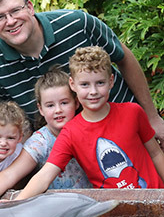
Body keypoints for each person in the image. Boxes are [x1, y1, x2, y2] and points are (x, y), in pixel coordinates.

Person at [0, 0, 164, 217]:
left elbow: (124, 57)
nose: (11, 21)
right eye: (0, 17)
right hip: (85, 169)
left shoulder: (78, 23)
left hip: (131, 137)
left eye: (15, 10)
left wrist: (153, 118)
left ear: (30, 7)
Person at [15, 46, 164, 201]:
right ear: (73, 85)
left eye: (100, 82)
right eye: (85, 84)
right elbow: (45, 176)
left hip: (156, 201)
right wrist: (15, 204)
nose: (93, 91)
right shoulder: (70, 133)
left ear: (111, 81)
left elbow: (156, 153)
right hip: (115, 212)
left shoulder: (133, 112)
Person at [0, 66, 92, 209]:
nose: (58, 110)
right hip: (56, 208)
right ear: (41, 109)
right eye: (50, 105)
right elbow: (9, 175)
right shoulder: (41, 141)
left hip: (92, 201)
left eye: (64, 103)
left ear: (76, 102)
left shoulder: (89, 128)